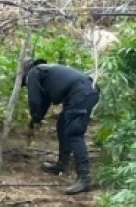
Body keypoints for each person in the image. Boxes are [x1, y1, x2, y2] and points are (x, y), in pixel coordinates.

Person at [23, 60, 101, 195]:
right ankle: (62, 164)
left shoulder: (34, 73)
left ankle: (85, 177)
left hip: (81, 93)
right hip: (86, 90)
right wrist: (34, 121)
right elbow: (44, 102)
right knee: (63, 124)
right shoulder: (45, 72)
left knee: (74, 133)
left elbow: (35, 101)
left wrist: (35, 119)